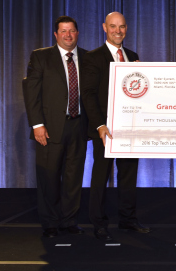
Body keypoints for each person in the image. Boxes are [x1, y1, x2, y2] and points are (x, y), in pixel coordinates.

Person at [80, 12, 150, 241]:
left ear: (126, 28)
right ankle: (98, 222)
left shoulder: (133, 56)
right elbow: (88, 95)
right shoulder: (92, 57)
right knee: (100, 175)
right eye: (113, 26)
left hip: (130, 128)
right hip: (106, 130)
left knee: (129, 175)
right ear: (104, 27)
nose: (117, 31)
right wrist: (100, 125)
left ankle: (127, 220)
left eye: (121, 27)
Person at [22, 16, 88, 238]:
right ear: (56, 34)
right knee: (49, 177)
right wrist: (37, 125)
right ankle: (50, 223)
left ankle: (69, 221)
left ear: (77, 33)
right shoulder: (41, 57)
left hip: (79, 127)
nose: (68, 35)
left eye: (71, 31)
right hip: (49, 129)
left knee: (73, 177)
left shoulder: (88, 58)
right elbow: (31, 92)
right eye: (63, 31)